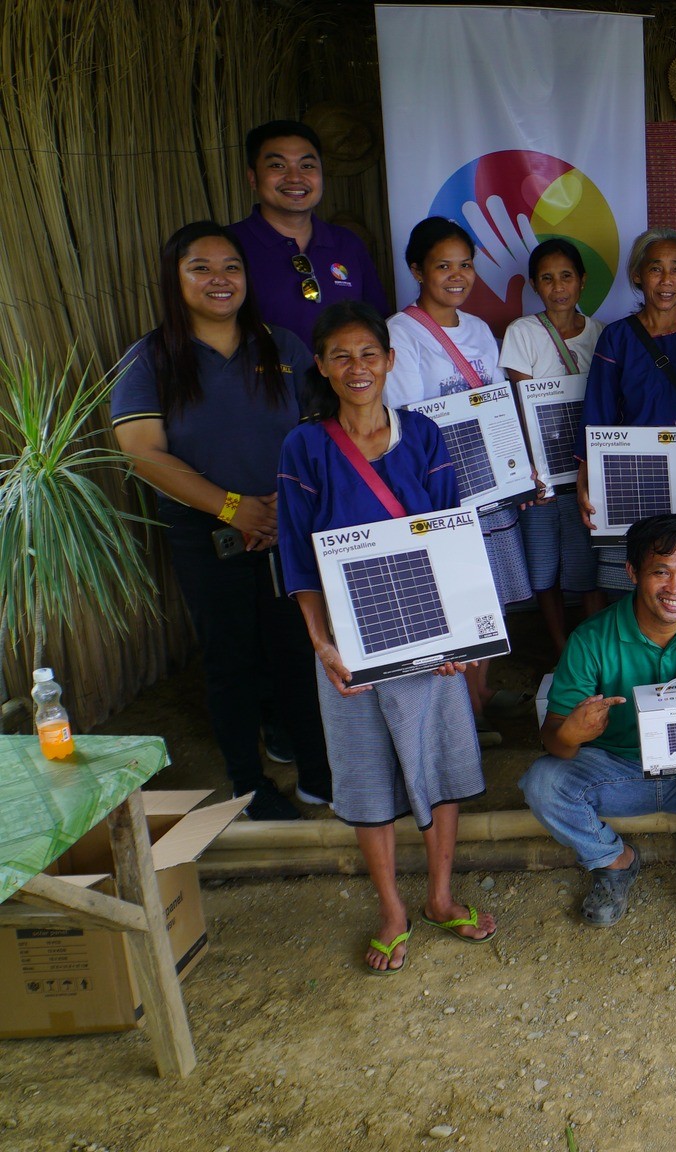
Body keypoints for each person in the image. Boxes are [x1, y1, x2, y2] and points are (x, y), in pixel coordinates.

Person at [276, 301, 498, 972]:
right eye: (341, 356)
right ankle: (392, 910)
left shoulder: (423, 436)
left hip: (428, 634)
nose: (357, 367)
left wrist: (458, 641)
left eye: (369, 354)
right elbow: (297, 557)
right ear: (321, 366)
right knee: (365, 772)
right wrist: (321, 643)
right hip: (350, 643)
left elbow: (453, 535)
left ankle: (439, 896)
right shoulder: (304, 447)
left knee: (443, 761)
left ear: (390, 360)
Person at [110, 221, 329, 821]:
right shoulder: (151, 358)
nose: (219, 279)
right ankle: (248, 783)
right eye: (200, 268)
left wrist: (287, 504)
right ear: (174, 278)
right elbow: (143, 452)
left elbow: (317, 431)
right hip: (206, 534)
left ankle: (317, 771)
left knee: (297, 649)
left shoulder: (282, 346)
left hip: (287, 527)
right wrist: (234, 507)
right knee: (230, 660)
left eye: (231, 266)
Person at [520, 514, 676, 925]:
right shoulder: (591, 638)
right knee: (542, 783)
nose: (675, 588)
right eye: (660, 572)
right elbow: (554, 742)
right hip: (616, 772)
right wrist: (571, 734)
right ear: (632, 572)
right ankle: (614, 860)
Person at [385, 217, 532, 744]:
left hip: (489, 483)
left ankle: (481, 693)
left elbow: (498, 404)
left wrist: (517, 470)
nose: (456, 275)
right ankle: (463, 713)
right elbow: (409, 419)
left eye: (465, 265)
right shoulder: (399, 333)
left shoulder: (479, 330)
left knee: (493, 594)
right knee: (459, 596)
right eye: (443, 265)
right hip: (441, 486)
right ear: (417, 270)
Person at [578, 229, 676, 606]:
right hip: (633, 472)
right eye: (655, 269)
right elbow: (598, 411)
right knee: (629, 580)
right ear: (637, 275)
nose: (666, 280)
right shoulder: (617, 337)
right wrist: (587, 477)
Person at [501, 238, 606, 655]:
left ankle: (593, 651)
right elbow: (520, 408)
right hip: (541, 473)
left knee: (589, 565)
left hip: (586, 469)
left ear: (582, 281)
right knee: (544, 569)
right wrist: (529, 471)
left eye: (566, 276)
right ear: (534, 285)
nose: (558, 287)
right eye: (547, 278)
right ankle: (562, 650)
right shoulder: (522, 333)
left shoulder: (602, 334)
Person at [228, 119, 389, 349]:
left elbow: (377, 326)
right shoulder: (228, 245)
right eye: (278, 165)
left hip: (341, 374)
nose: (295, 177)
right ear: (253, 178)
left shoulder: (347, 244)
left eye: (307, 166)